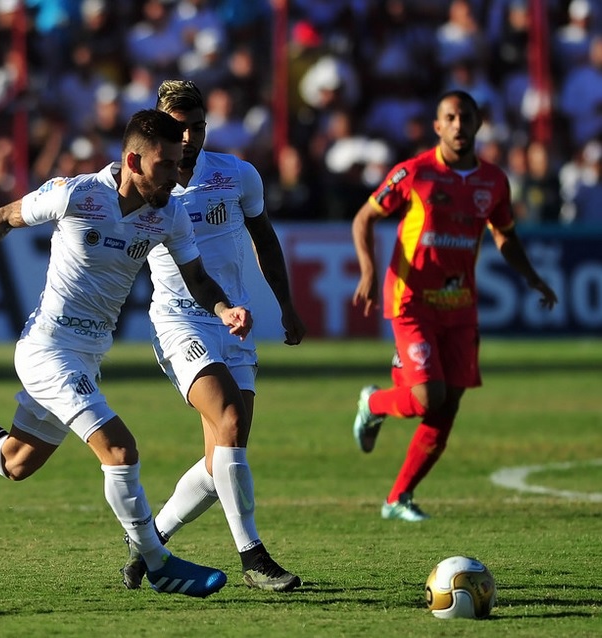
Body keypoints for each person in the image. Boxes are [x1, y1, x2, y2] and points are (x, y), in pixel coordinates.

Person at [0, 108, 246, 598]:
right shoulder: (79, 193)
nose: (175, 176)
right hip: (47, 350)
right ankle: (157, 563)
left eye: (179, 164)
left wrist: (223, 309)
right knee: (119, 449)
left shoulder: (171, 212)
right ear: (134, 160)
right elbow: (1, 218)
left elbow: (197, 278)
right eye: (165, 166)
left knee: (16, 461)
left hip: (88, 355)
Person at [118, 79, 307, 594]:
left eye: (197, 126)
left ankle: (148, 547)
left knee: (222, 451)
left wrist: (285, 305)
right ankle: (254, 557)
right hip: (179, 321)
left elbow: (264, 238)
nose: (189, 137)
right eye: (179, 128)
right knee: (227, 418)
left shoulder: (237, 175)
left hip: (235, 321)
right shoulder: (141, 184)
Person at [350, 90, 558, 522]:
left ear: (479, 123)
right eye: (451, 117)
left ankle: (398, 499)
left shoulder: (495, 182)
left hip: (460, 306)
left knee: (448, 405)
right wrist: (369, 271)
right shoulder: (415, 172)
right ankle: (373, 404)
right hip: (411, 300)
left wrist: (533, 277)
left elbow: (505, 236)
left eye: (466, 116)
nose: (459, 124)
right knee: (428, 396)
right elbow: (364, 218)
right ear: (438, 126)